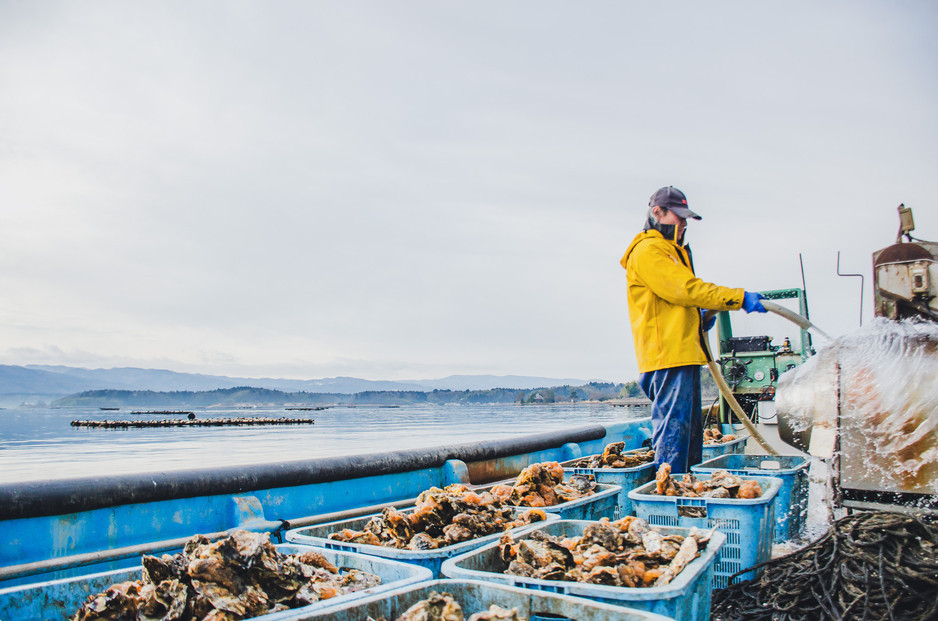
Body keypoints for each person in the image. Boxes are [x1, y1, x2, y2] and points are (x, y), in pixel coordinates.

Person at [620, 186, 767, 473]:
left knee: (689, 439)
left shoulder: (671, 252)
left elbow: (675, 301)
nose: (684, 224)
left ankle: (685, 489)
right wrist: (738, 298)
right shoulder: (649, 251)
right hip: (667, 357)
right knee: (674, 436)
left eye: (686, 219)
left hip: (683, 354)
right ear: (657, 212)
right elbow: (685, 290)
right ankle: (667, 492)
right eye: (679, 216)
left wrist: (698, 318)